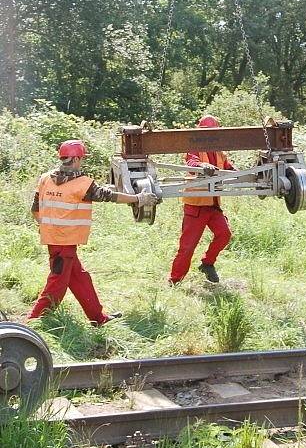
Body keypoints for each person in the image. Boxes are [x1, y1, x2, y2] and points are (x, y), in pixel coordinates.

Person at [28, 139, 157, 326]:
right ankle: (32, 322)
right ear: (77, 159)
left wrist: (45, 226)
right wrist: (138, 198)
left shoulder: (45, 179)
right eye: (81, 159)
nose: (82, 162)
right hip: (65, 242)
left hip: (55, 240)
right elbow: (109, 196)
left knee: (80, 278)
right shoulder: (82, 184)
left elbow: (35, 209)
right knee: (57, 284)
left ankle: (98, 318)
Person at [169, 114, 235, 284]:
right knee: (187, 247)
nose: (210, 136)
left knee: (224, 235)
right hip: (196, 205)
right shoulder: (194, 148)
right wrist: (201, 166)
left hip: (213, 205)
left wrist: (246, 174)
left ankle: (207, 263)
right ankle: (175, 280)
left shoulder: (220, 152)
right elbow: (191, 163)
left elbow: (229, 168)